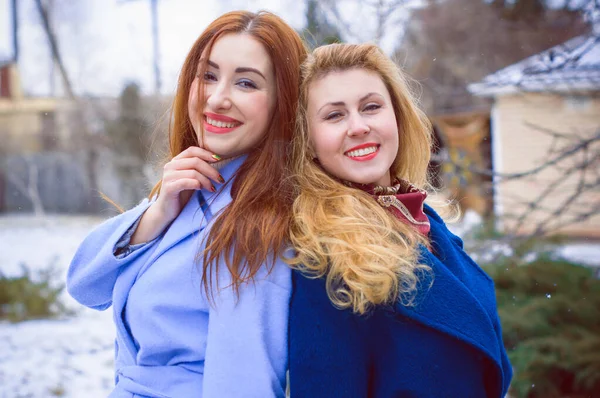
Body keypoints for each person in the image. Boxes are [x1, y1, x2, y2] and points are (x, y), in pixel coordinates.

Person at [67, 11, 306, 398]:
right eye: (208, 75)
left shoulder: (258, 226)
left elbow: (242, 383)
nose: (217, 98)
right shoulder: (193, 189)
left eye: (246, 83)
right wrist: (157, 213)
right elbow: (85, 285)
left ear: (284, 102)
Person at [286, 43, 513, 398]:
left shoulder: (425, 218)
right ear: (309, 142)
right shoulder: (323, 257)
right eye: (334, 115)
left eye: (371, 107)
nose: (358, 126)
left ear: (397, 116)